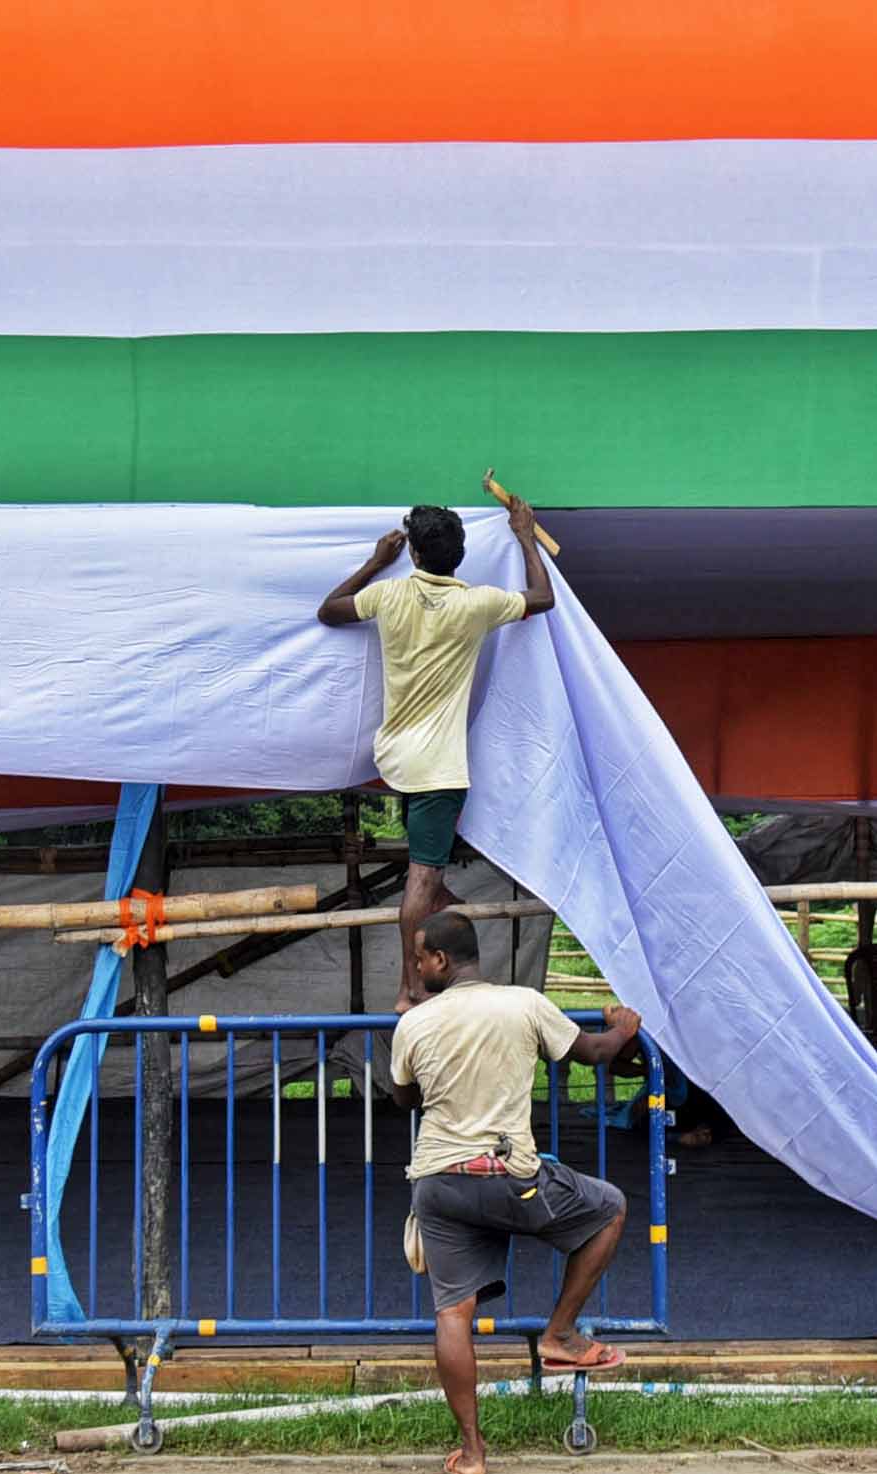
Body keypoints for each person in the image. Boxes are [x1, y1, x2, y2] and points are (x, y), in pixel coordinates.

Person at [391, 910, 641, 1474]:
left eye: (419, 957)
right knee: (609, 1209)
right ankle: (559, 1334)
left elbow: (405, 1101)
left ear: (441, 961)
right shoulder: (523, 1003)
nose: (416, 967)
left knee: (453, 1314)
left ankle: (474, 1454)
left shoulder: (415, 1023)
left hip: (439, 1182)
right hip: (509, 1175)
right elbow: (596, 1054)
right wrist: (624, 1027)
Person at [317, 493, 554, 1013]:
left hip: (397, 759)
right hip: (438, 770)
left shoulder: (390, 595)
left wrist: (375, 563)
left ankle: (445, 937)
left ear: (415, 556)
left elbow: (329, 611)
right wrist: (524, 534)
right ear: (460, 557)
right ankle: (411, 989)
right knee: (422, 880)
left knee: (433, 880)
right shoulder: (476, 604)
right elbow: (543, 597)